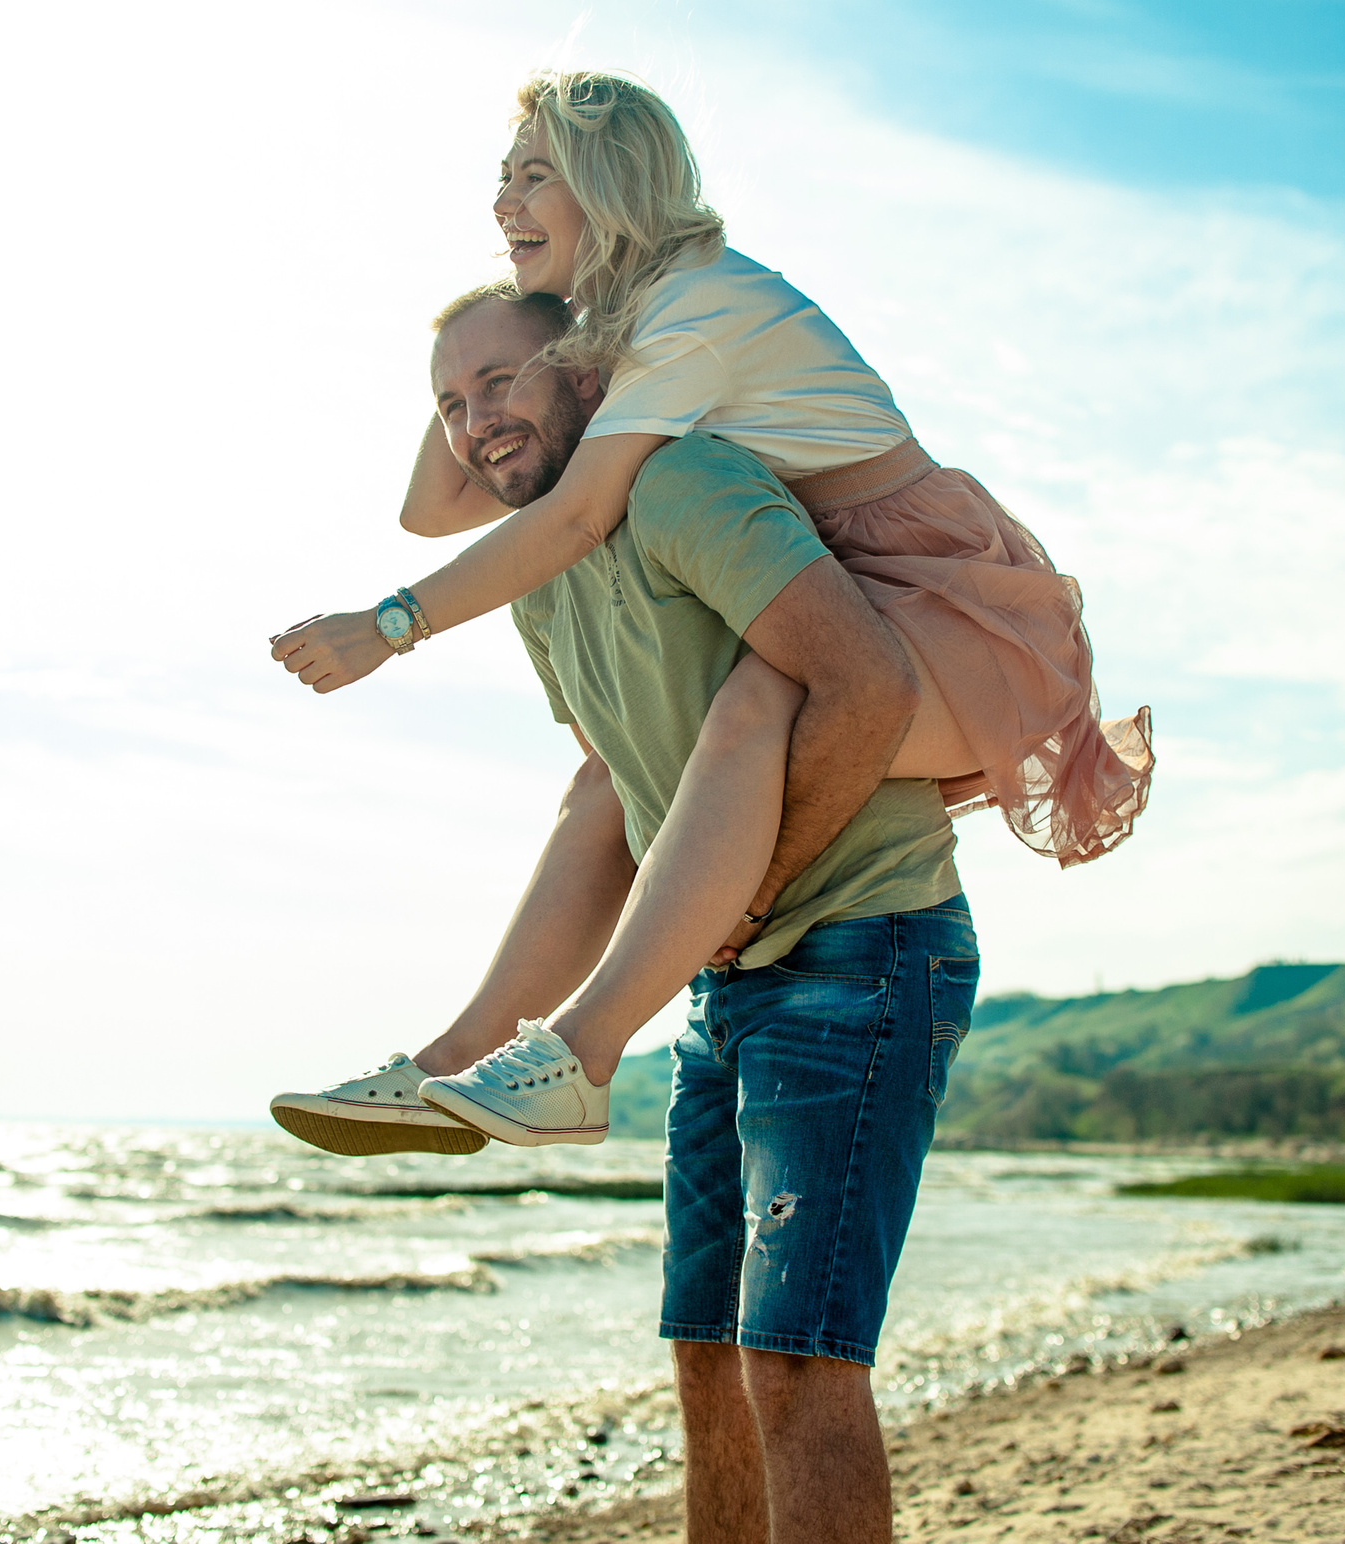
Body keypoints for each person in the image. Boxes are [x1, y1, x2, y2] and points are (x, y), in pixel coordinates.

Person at [270, 71, 1148, 1149]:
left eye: (534, 177)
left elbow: (579, 514)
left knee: (748, 711)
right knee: (604, 786)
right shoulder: (627, 320)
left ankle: (582, 1056)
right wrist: (469, 357)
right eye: (499, 182)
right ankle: (453, 1063)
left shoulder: (695, 310)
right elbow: (433, 504)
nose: (502, 203)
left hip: (938, 588)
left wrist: (390, 626)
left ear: (612, 181)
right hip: (848, 576)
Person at [297, 285, 974, 1543]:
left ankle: (563, 1051)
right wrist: (485, 1030)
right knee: (708, 1354)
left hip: (859, 946)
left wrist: (755, 894)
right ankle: (471, 1057)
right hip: (725, 978)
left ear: (589, 369)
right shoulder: (543, 572)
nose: (473, 421)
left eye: (500, 381)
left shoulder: (687, 484)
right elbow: (611, 792)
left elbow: (866, 686)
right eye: (448, 405)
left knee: (797, 1362)